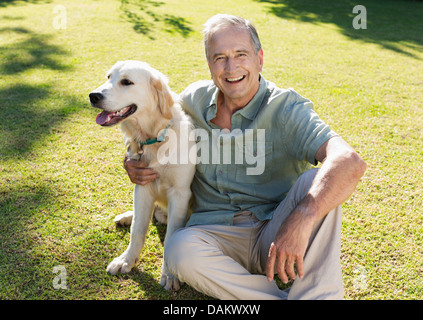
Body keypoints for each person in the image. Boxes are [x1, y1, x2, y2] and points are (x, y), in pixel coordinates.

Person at [124, 14, 366, 299]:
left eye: (241, 54)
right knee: (178, 250)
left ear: (259, 58)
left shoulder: (286, 107)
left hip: (276, 233)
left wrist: (303, 217)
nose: (231, 67)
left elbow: (349, 161)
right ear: (209, 65)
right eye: (220, 58)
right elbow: (151, 122)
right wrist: (131, 157)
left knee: (319, 180)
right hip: (213, 235)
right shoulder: (192, 101)